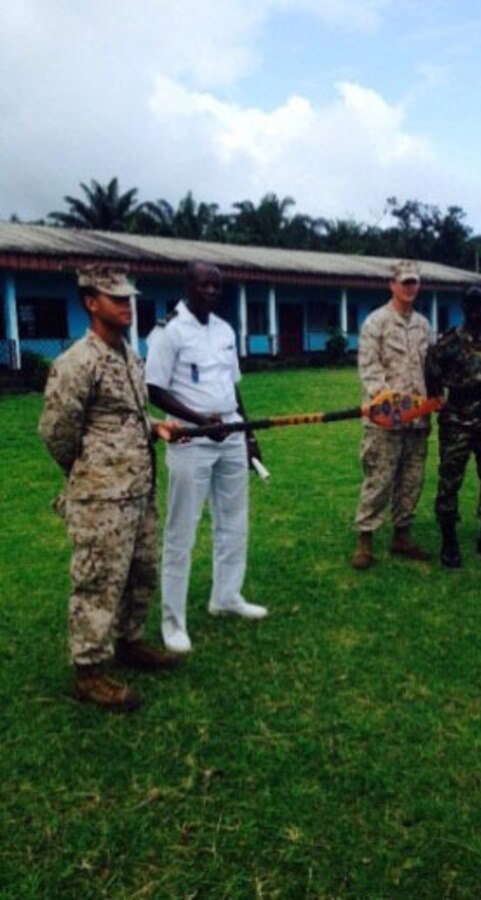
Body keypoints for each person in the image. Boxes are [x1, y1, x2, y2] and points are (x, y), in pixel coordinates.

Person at [38, 265, 182, 713]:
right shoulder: (78, 362)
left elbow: (124, 417)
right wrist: (90, 469)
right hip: (101, 497)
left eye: (128, 297)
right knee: (98, 580)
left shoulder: (127, 354)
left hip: (139, 487)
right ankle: (89, 671)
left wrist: (155, 427)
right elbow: (56, 432)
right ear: (90, 302)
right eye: (115, 297)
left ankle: (129, 642)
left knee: (141, 571)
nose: (126, 304)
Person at [145, 261, 267, 655]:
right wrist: (200, 421)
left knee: (234, 520)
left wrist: (247, 434)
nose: (212, 292)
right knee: (181, 530)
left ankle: (226, 596)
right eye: (204, 285)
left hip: (229, 432)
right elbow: (154, 390)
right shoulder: (168, 332)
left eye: (217, 287)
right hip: (190, 437)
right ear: (188, 287)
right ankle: (173, 622)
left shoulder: (225, 329)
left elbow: (233, 387)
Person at [425, 285, 481, 568]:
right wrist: (437, 399)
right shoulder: (448, 341)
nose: (476, 310)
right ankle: (449, 542)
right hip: (456, 417)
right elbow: (431, 372)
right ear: (463, 307)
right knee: (449, 479)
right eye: (470, 305)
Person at [351, 260, 432, 569]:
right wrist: (391, 404)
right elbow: (370, 369)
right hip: (384, 419)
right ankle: (365, 539)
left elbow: (430, 368)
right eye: (405, 282)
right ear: (393, 285)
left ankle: (402, 535)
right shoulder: (376, 322)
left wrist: (431, 400)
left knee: (412, 480)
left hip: (418, 418)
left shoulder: (423, 325)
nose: (410, 288)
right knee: (379, 479)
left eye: (415, 282)